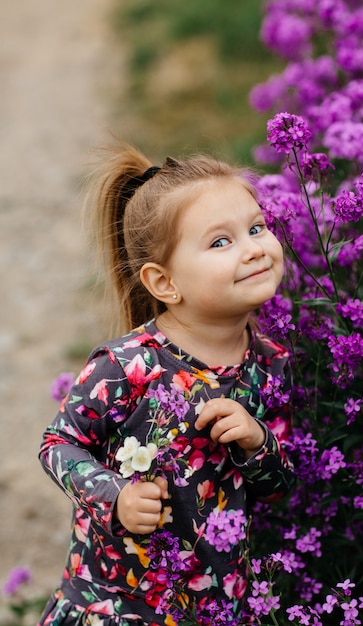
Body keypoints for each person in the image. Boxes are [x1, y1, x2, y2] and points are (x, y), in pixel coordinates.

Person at [37, 142, 295, 626]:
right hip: (119, 605)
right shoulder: (126, 365)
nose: (255, 247)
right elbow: (58, 445)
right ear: (164, 283)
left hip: (217, 605)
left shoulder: (271, 363)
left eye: (257, 228)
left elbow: (277, 487)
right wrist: (115, 496)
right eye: (222, 242)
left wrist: (259, 441)